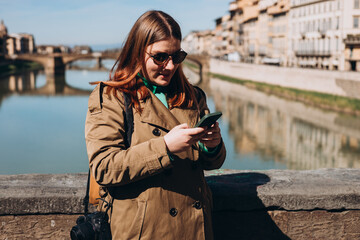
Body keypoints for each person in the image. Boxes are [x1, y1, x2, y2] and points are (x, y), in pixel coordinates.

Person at [85, 10, 226, 240]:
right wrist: (165, 147)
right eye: (160, 57)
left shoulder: (193, 96)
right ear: (137, 52)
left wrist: (213, 145)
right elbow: (103, 166)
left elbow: (212, 163)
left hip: (195, 228)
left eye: (176, 57)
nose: (170, 66)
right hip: (144, 231)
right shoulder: (112, 97)